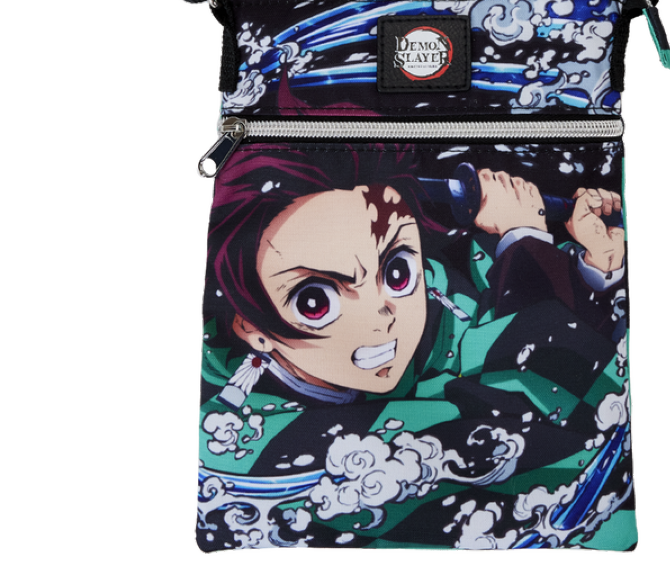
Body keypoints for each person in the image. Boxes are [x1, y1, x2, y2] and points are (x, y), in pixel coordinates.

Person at [196, 144, 635, 552]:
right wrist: (523, 239)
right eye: (315, 302)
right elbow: (524, 434)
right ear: (252, 328)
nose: (381, 316)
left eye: (397, 271)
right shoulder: (240, 438)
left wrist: (593, 267)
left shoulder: (435, 293)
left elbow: (487, 329)